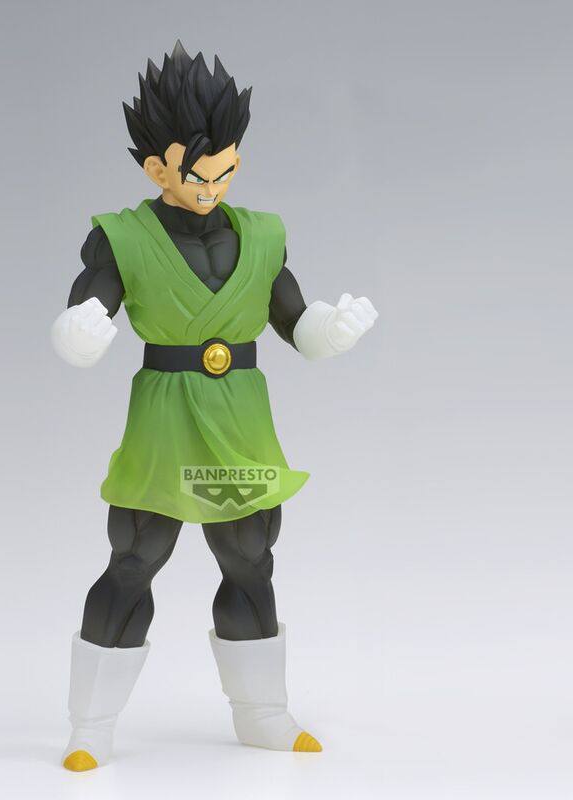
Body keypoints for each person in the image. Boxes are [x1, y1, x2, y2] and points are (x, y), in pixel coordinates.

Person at [51, 41, 378, 771]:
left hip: (238, 419)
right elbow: (91, 305)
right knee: (135, 557)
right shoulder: (122, 235)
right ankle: (90, 725)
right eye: (197, 175)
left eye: (226, 170)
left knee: (250, 557)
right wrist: (78, 332)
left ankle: (263, 713)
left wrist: (331, 330)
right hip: (165, 422)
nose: (212, 187)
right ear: (156, 168)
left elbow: (295, 320)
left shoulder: (261, 235)